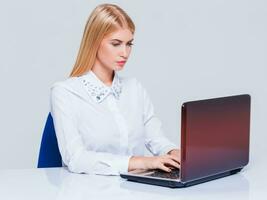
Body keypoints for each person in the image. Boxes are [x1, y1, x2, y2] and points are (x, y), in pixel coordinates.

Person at [50, 3, 180, 175]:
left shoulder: (134, 88)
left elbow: (157, 138)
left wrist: (174, 153)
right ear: (94, 42)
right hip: (89, 190)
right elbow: (75, 158)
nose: (125, 53)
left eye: (129, 44)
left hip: (137, 188)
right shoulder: (65, 92)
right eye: (116, 43)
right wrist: (140, 161)